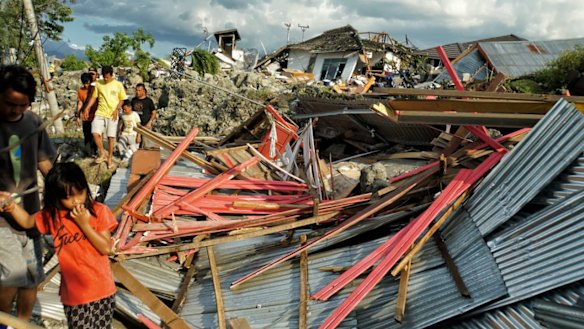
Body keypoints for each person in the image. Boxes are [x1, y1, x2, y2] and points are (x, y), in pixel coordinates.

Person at [0, 162, 117, 328]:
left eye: (81, 193)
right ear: (56, 196)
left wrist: (84, 224)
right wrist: (12, 207)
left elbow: (106, 248)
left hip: (103, 290)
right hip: (76, 296)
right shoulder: (53, 216)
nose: (77, 201)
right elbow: (27, 221)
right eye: (68, 197)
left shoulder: (99, 211)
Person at [0, 65, 56, 325]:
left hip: (32, 215)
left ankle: (20, 323)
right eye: (11, 103)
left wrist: (63, 190)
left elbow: (46, 164)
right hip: (1, 221)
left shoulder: (33, 122)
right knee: (12, 273)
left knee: (32, 276)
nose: (16, 111)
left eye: (23, 105)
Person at [82, 65, 126, 169]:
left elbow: (122, 99)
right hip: (100, 112)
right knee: (95, 132)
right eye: (104, 77)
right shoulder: (99, 84)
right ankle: (102, 153)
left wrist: (116, 109)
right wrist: (87, 108)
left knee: (111, 137)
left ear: (112, 75)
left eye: (108, 77)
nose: (106, 79)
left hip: (112, 114)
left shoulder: (118, 85)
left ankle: (109, 157)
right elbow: (94, 97)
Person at [76, 72, 98, 157]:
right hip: (86, 117)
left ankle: (95, 151)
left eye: (87, 83)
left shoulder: (95, 89)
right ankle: (89, 153)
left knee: (95, 134)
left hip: (95, 115)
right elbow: (80, 103)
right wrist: (78, 116)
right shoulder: (81, 91)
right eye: (84, 83)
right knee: (87, 135)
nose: (86, 85)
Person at [131, 83, 157, 148]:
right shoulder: (133, 100)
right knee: (134, 144)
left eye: (139, 90)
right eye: (136, 90)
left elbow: (154, 112)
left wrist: (150, 122)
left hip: (146, 126)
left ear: (144, 91)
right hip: (135, 126)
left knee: (146, 144)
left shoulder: (149, 101)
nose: (137, 92)